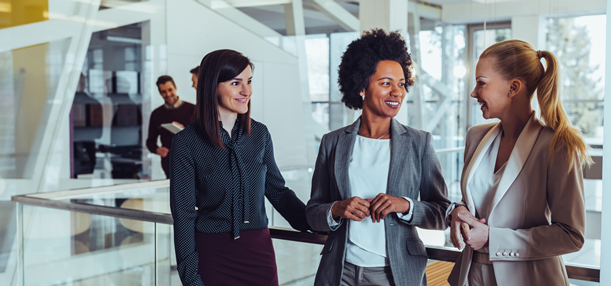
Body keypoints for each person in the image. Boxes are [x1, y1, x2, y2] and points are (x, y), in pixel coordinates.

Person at [306, 29, 451, 286]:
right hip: (340, 271)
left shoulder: (419, 142)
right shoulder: (333, 142)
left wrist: (405, 205)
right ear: (362, 87)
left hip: (395, 274)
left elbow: (442, 213)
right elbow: (313, 213)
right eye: (386, 83)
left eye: (401, 84)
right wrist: (336, 209)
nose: (397, 92)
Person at [446, 39, 589, 286]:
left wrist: (493, 239)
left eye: (481, 83)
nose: (473, 93)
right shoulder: (476, 137)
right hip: (472, 276)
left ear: (513, 87)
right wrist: (459, 212)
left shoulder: (558, 145)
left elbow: (571, 236)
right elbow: (482, 203)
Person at [169, 49, 310, 286]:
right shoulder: (186, 143)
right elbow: (183, 215)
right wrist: (191, 279)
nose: (247, 91)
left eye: (249, 81)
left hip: (259, 253)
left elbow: (277, 191)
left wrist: (316, 222)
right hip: (213, 255)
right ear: (212, 85)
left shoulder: (260, 134)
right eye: (236, 83)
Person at [145, 75, 196, 179]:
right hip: (170, 165)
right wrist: (157, 149)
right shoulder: (156, 114)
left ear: (175, 88)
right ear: (160, 93)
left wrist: (185, 130)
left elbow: (203, 137)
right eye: (163, 92)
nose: (168, 94)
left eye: (170, 90)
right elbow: (150, 141)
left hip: (192, 163)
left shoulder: (193, 109)